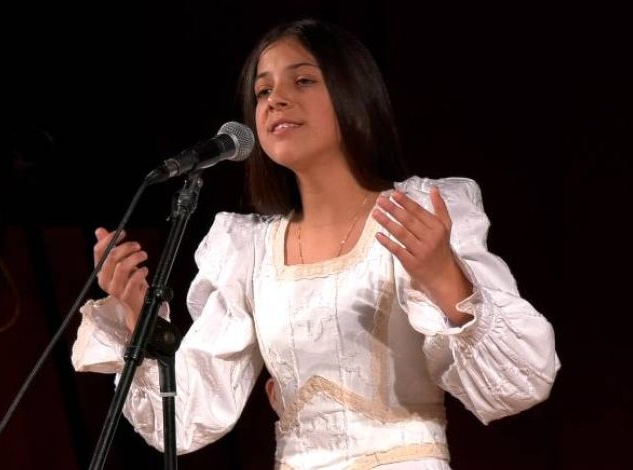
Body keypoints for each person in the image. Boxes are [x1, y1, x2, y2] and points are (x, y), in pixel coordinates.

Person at [71, 18, 560, 469]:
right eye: (263, 90)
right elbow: (185, 421)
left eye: (302, 80)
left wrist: (444, 277)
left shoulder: (417, 214)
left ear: (353, 95)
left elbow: (521, 382)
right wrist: (137, 318)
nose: (276, 100)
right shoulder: (249, 249)